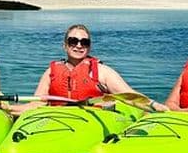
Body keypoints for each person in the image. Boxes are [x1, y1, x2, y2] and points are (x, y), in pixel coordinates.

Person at [12, 24, 165, 114]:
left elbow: (129, 95)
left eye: (84, 42)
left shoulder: (102, 71)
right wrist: (7, 108)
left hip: (91, 120)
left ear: (89, 47)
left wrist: (154, 106)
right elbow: (37, 103)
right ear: (64, 45)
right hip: (60, 119)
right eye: (73, 41)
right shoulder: (51, 72)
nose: (78, 45)